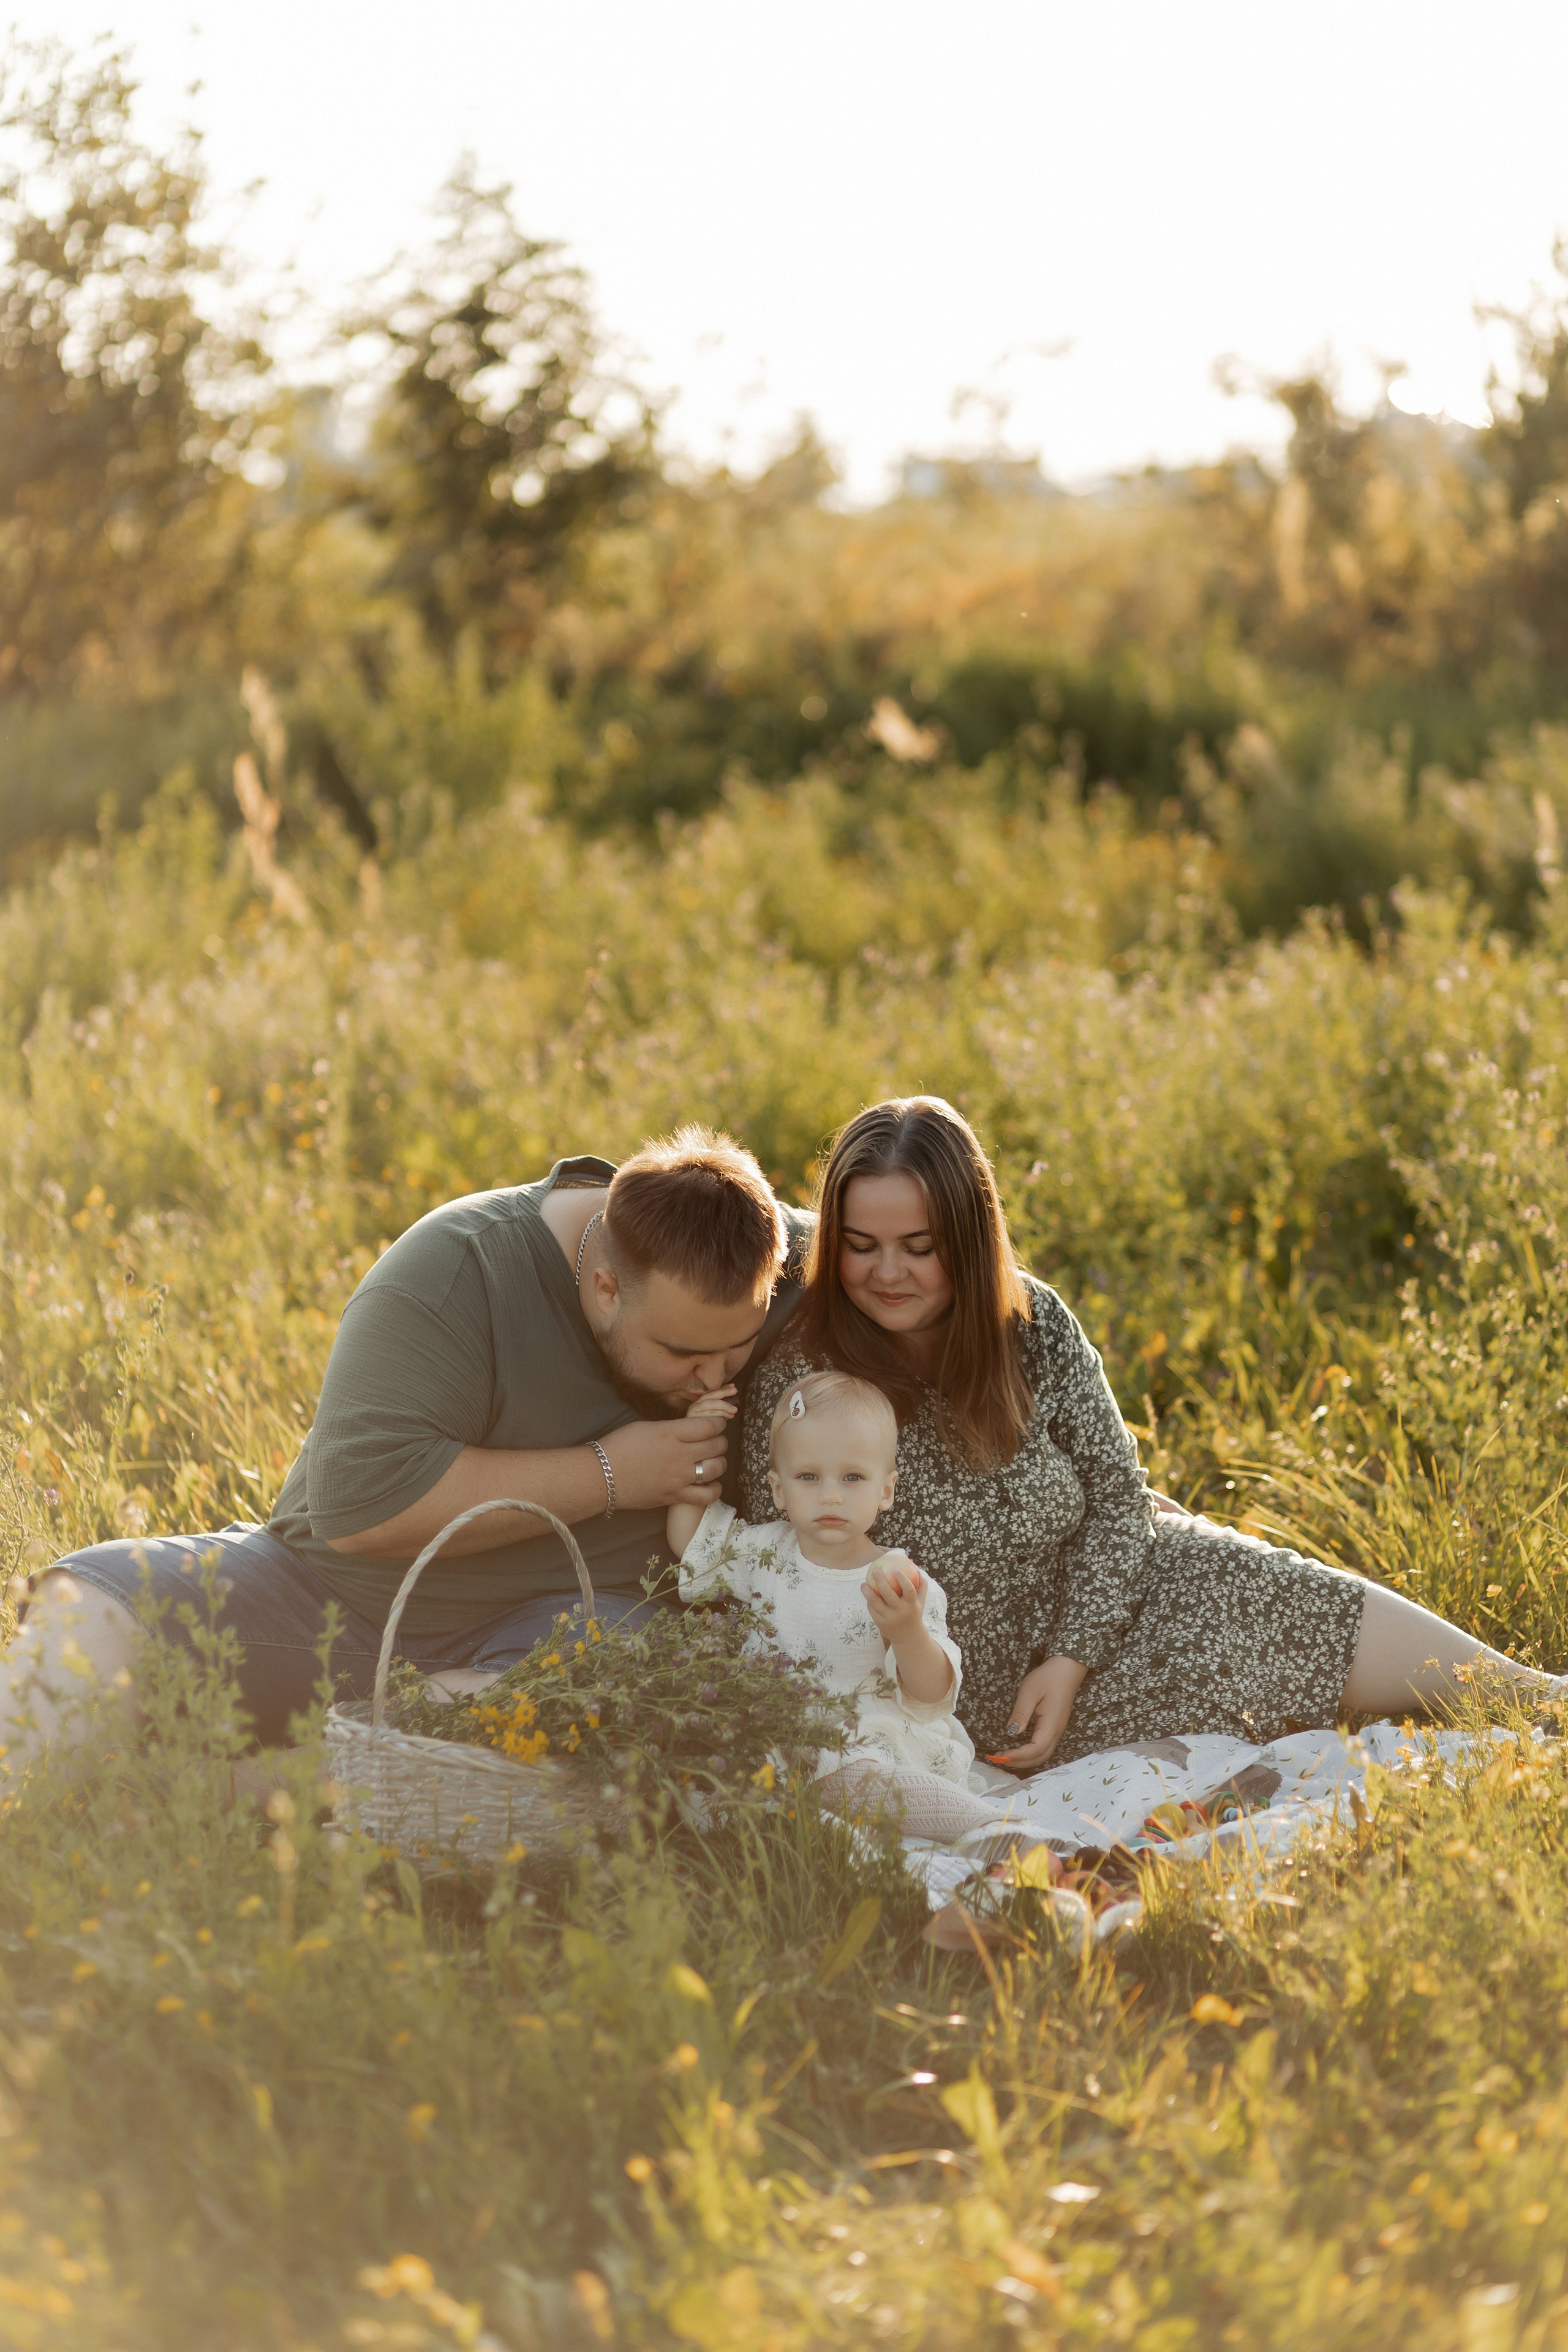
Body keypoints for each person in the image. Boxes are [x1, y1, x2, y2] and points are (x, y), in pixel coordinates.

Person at [740, 1096, 1566, 1770]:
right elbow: (762, 1555)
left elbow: (1117, 1496)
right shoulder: (804, 1375)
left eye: (919, 1248)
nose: (887, 1272)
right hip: (929, 1684)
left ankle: (1539, 1696)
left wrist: (1071, 1659)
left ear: (968, 1238)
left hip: (1098, 1625)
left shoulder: (1031, 1324)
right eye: (861, 1246)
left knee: (1239, 1572)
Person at [7, 1130, 812, 1760]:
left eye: (738, 1348)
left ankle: (262, 1785)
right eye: (683, 1353)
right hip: (328, 1605)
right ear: (605, 1288)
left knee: (612, 1689)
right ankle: (35, 1812)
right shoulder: (459, 1266)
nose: (714, 1377)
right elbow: (360, 1504)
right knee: (94, 1604)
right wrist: (614, 1473)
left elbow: (883, 1225)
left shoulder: (777, 1255)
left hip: (564, 1638)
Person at [670, 1369, 1028, 1841]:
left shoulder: (897, 1581)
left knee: (865, 1780)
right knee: (702, 1784)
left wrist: (907, 1633)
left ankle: (992, 1831)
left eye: (853, 1477)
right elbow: (690, 1540)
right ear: (778, 1489)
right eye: (808, 1477)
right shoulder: (763, 1552)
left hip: (864, 1743)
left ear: (886, 1491)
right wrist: (694, 1438)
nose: (831, 1496)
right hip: (774, 1738)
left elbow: (932, 1694)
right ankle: (816, 1837)